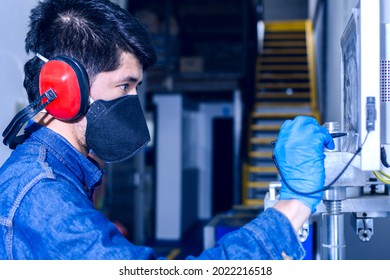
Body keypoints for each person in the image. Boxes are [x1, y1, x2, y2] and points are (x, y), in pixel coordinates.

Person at [0, 0, 334, 260]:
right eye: (124, 85)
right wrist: (294, 204)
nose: (133, 102)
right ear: (67, 86)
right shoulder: (43, 192)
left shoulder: (51, 173)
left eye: (137, 88)